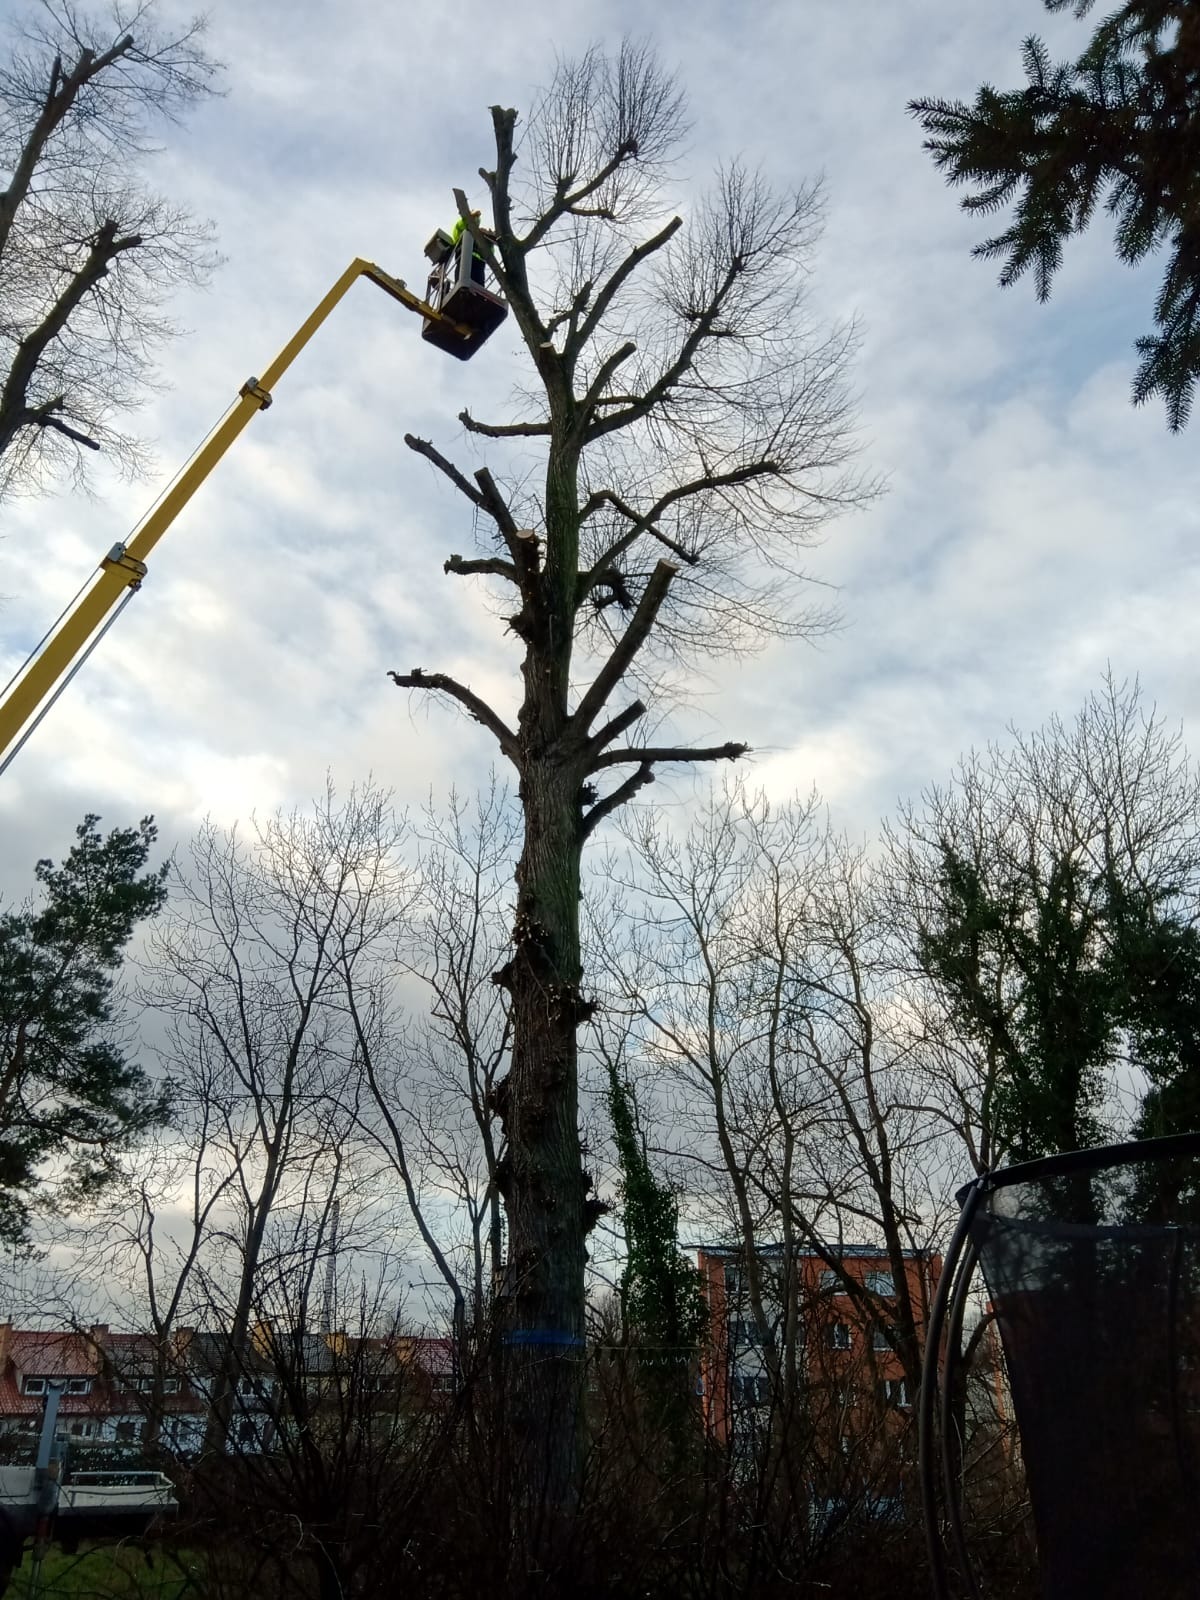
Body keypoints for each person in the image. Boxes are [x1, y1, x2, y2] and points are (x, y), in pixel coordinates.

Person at [450, 209, 486, 286]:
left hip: (479, 264)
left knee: (479, 286)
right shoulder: (461, 229)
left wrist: (489, 241)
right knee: (463, 282)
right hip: (464, 260)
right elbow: (460, 226)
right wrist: (470, 217)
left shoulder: (479, 238)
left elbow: (490, 252)